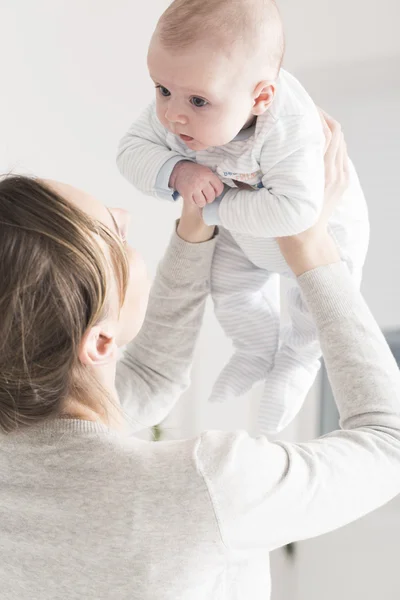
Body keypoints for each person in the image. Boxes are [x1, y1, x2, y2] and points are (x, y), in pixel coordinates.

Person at [0, 116, 399, 600]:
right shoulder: (204, 487)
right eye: (115, 233)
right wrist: (311, 247)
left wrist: (197, 221)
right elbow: (388, 441)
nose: (125, 213)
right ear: (100, 343)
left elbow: (147, 380)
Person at [116, 0, 370, 434]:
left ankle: (294, 367)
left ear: (261, 97)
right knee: (230, 290)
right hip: (245, 233)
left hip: (324, 237)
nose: (173, 114)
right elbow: (129, 153)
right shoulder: (183, 101)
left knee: (311, 320)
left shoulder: (289, 128)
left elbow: (297, 212)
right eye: (161, 90)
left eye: (198, 101)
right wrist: (181, 171)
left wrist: (210, 204)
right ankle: (253, 350)